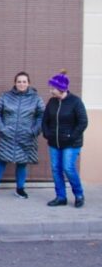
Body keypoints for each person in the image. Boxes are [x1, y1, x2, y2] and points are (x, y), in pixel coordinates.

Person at [0, 72, 45, 199]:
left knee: (22, 163)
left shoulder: (36, 98)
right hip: (7, 134)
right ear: (15, 83)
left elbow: (42, 115)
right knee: (1, 161)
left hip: (27, 136)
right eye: (19, 81)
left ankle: (20, 189)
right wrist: (1, 128)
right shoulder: (5, 96)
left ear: (28, 83)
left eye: (24, 81)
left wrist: (34, 130)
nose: (21, 84)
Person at [42, 71, 88, 208]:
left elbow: (83, 122)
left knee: (68, 168)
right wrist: (47, 133)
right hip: (54, 143)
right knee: (56, 169)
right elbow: (45, 120)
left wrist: (71, 137)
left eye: (53, 88)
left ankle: (79, 195)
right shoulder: (52, 102)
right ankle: (61, 197)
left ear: (61, 88)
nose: (50, 90)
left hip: (71, 143)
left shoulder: (75, 101)